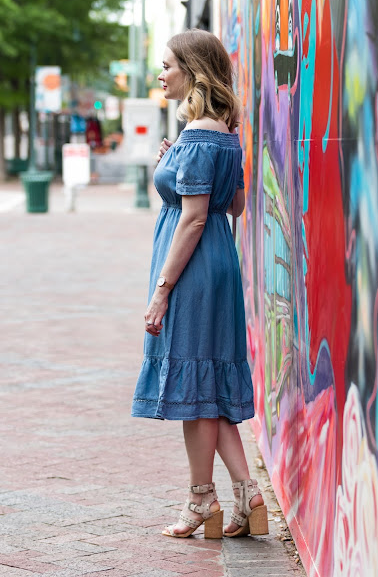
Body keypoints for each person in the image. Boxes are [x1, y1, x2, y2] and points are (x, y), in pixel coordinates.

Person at [131, 29, 268, 539]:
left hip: (192, 271)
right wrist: (177, 159)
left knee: (194, 391)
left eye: (167, 65)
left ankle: (200, 503)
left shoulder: (197, 135)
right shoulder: (225, 133)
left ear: (192, 70)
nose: (160, 74)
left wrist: (161, 291)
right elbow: (232, 206)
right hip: (219, 262)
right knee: (208, 388)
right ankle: (246, 493)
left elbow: (190, 219)